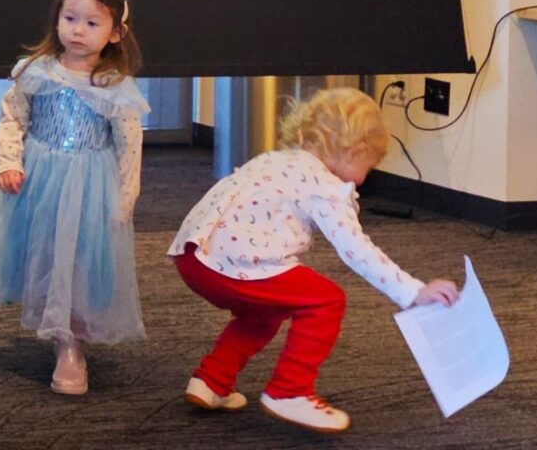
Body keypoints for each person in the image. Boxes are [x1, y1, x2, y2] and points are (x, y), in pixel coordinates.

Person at [169, 87, 458, 434]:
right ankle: (289, 391)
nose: (365, 178)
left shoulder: (275, 160)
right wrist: (414, 291)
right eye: (369, 166)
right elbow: (357, 251)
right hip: (235, 263)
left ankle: (211, 381)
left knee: (264, 313)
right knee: (325, 300)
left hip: (193, 256)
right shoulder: (324, 185)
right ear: (355, 151)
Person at [0, 0, 148, 395]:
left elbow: (129, 146)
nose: (78, 31)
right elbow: (14, 117)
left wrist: (125, 198)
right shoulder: (37, 71)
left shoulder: (115, 87)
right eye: (70, 18)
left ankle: (72, 343)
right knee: (46, 254)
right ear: (57, 19)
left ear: (115, 33)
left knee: (80, 262)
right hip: (41, 179)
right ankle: (60, 336)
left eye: (92, 23)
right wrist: (9, 161)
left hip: (91, 185)